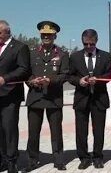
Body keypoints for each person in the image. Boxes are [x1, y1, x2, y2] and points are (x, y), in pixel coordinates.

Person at [25, 21, 69, 172]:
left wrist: (51, 80)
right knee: (33, 132)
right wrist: (32, 81)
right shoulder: (32, 53)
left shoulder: (62, 54)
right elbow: (26, 73)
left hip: (53, 98)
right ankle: (32, 160)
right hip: (35, 98)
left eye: (49, 35)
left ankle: (58, 160)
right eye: (43, 35)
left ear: (55, 36)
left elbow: (64, 75)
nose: (46, 37)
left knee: (56, 131)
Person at [68, 29, 111, 169]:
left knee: (98, 130)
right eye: (85, 44)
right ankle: (84, 157)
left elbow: (109, 74)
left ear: (96, 41)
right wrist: (79, 81)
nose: (88, 47)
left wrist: (98, 80)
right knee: (81, 131)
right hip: (82, 98)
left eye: (91, 44)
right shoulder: (75, 57)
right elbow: (69, 76)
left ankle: (98, 156)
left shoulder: (105, 56)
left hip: (99, 98)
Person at [0, 20, 31, 173]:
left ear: (8, 31)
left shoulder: (20, 47)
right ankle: (2, 159)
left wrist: (5, 78)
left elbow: (24, 69)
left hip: (10, 95)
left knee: (9, 129)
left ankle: (12, 161)